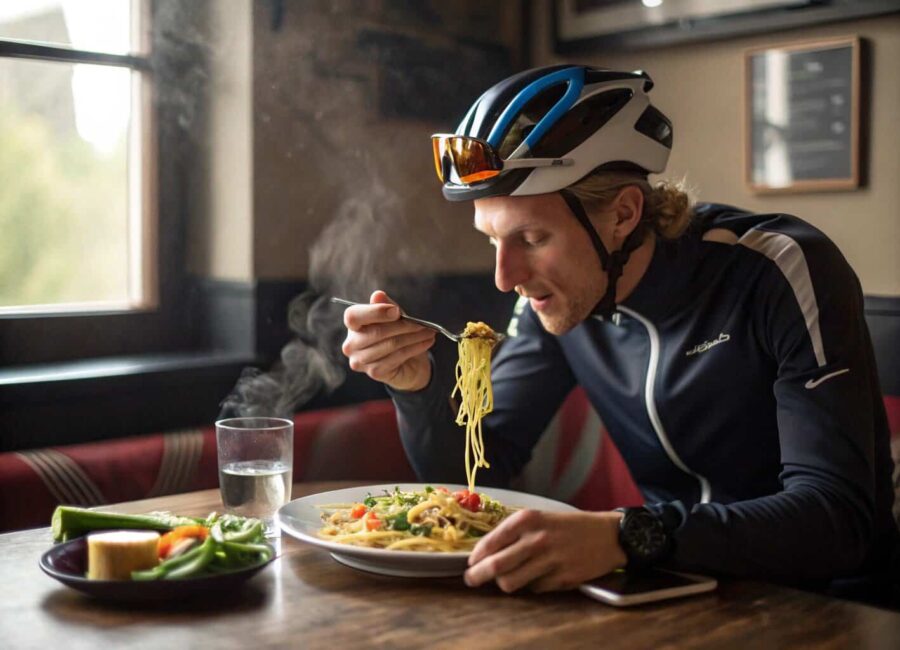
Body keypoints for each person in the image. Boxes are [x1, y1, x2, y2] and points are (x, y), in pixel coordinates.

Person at [340, 64, 899, 599]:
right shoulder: (558, 303)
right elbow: (481, 467)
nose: (504, 277)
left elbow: (836, 519)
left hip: (835, 607)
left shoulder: (780, 267)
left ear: (624, 215)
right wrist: (416, 387)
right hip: (673, 591)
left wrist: (625, 535)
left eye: (531, 239)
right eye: (492, 240)